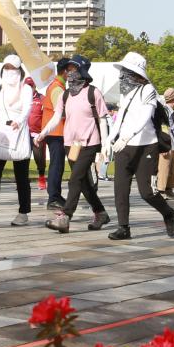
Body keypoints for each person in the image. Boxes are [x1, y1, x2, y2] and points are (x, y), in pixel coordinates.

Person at [105, 51, 174, 240]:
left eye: (126, 72)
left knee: (147, 192)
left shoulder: (148, 90)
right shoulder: (126, 94)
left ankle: (168, 213)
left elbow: (144, 117)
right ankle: (123, 227)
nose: (122, 76)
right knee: (120, 189)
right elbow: (120, 117)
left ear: (136, 74)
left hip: (145, 146)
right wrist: (110, 138)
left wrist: (127, 136)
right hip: (124, 147)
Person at [35, 55, 109, 234]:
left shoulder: (93, 92)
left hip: (90, 143)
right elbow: (56, 117)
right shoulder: (65, 95)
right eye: (67, 70)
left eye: (72, 69)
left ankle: (65, 217)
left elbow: (103, 119)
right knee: (83, 182)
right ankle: (100, 213)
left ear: (82, 71)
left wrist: (106, 144)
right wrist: (43, 133)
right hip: (71, 144)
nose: (69, 73)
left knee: (75, 178)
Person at [0, 55, 34, 226]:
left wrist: (20, 120)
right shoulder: (0, 89)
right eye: (6, 68)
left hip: (19, 133)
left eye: (13, 68)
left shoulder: (25, 89)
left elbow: (27, 108)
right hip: (2, 133)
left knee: (21, 177)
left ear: (19, 71)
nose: (10, 72)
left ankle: (23, 213)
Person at [40, 58, 74, 210]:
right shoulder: (57, 89)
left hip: (56, 132)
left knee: (58, 165)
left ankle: (55, 195)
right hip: (56, 132)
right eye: (71, 70)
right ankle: (53, 197)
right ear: (65, 72)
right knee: (56, 165)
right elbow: (59, 112)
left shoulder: (57, 86)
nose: (73, 74)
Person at [156, 88, 174, 197]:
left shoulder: (170, 111)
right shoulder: (164, 111)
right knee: (164, 166)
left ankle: (169, 188)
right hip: (165, 140)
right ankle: (161, 190)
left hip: (172, 141)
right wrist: (162, 145)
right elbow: (162, 128)